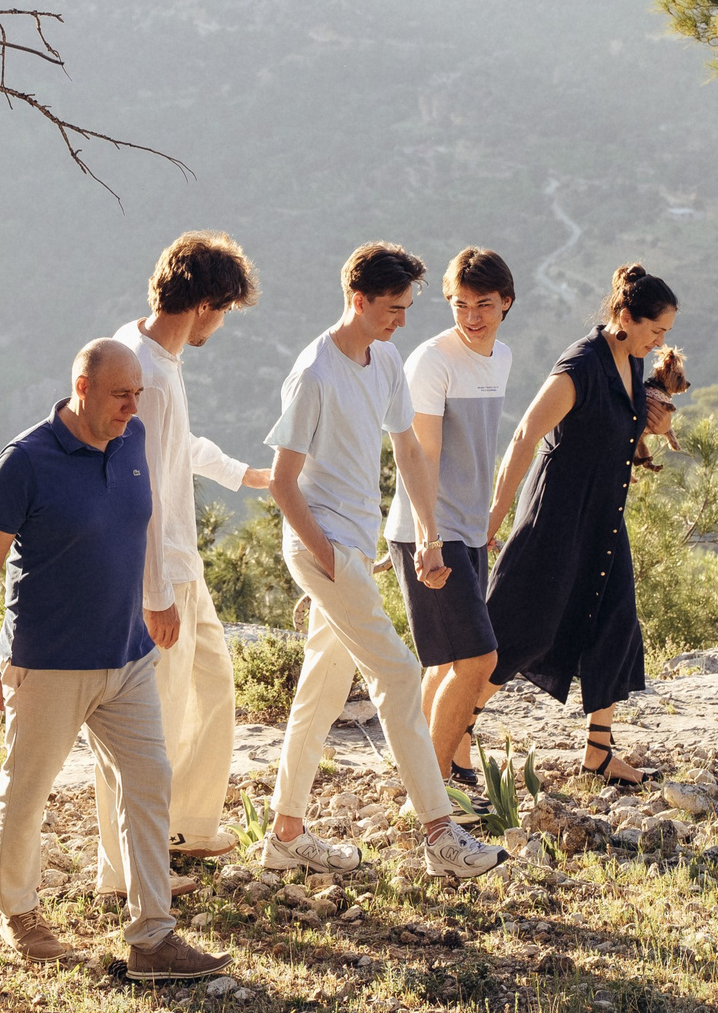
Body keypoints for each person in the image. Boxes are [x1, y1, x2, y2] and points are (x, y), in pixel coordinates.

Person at [0, 338, 231, 979]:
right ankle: (19, 915)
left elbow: (142, 529)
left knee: (148, 780)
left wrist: (156, 599)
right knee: (28, 788)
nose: (133, 406)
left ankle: (151, 937)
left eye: (138, 394)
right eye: (121, 394)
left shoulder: (133, 439)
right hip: (50, 663)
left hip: (128, 656)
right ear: (82, 388)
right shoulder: (25, 461)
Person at [260, 243, 507, 879]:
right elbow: (284, 483)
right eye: (392, 308)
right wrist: (327, 558)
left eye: (406, 308)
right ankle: (441, 835)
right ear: (358, 299)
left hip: (355, 549)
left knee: (318, 692)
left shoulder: (388, 358)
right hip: (325, 547)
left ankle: (285, 836)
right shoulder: (314, 373)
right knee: (398, 676)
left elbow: (410, 453)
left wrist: (428, 534)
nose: (402, 320)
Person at [95, 232, 276, 903]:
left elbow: (177, 449)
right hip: (157, 572)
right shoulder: (141, 365)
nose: (223, 324)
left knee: (213, 684)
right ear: (207, 301)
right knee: (148, 721)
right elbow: (138, 487)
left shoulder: (157, 357)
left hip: (180, 566)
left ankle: (185, 827)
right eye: (225, 309)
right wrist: (155, 593)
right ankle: (122, 871)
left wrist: (243, 474)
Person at [483, 262, 678, 786]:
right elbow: (525, 435)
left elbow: (612, 425)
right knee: (522, 625)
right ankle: (456, 733)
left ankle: (598, 753)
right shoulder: (580, 366)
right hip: (556, 516)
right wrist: (495, 515)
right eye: (655, 330)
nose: (660, 342)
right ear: (623, 316)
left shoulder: (632, 362)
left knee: (615, 621)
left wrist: (650, 418)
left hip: (603, 517)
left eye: (665, 333)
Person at [384, 248, 514, 794]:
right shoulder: (431, 361)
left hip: (467, 529)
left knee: (443, 664)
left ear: (506, 303)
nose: (471, 317)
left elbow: (479, 449)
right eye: (459, 305)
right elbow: (424, 455)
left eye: (483, 304)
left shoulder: (501, 356)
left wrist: (486, 515)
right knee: (479, 658)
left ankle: (418, 776)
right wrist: (430, 537)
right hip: (429, 532)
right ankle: (432, 789)